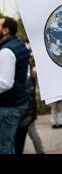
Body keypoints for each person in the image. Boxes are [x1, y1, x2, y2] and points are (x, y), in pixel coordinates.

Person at [0, 17, 31, 154]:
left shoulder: (6, 51)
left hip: (9, 106)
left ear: (5, 30)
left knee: (5, 146)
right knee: (12, 144)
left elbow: (5, 83)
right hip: (18, 102)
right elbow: (26, 74)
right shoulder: (19, 44)